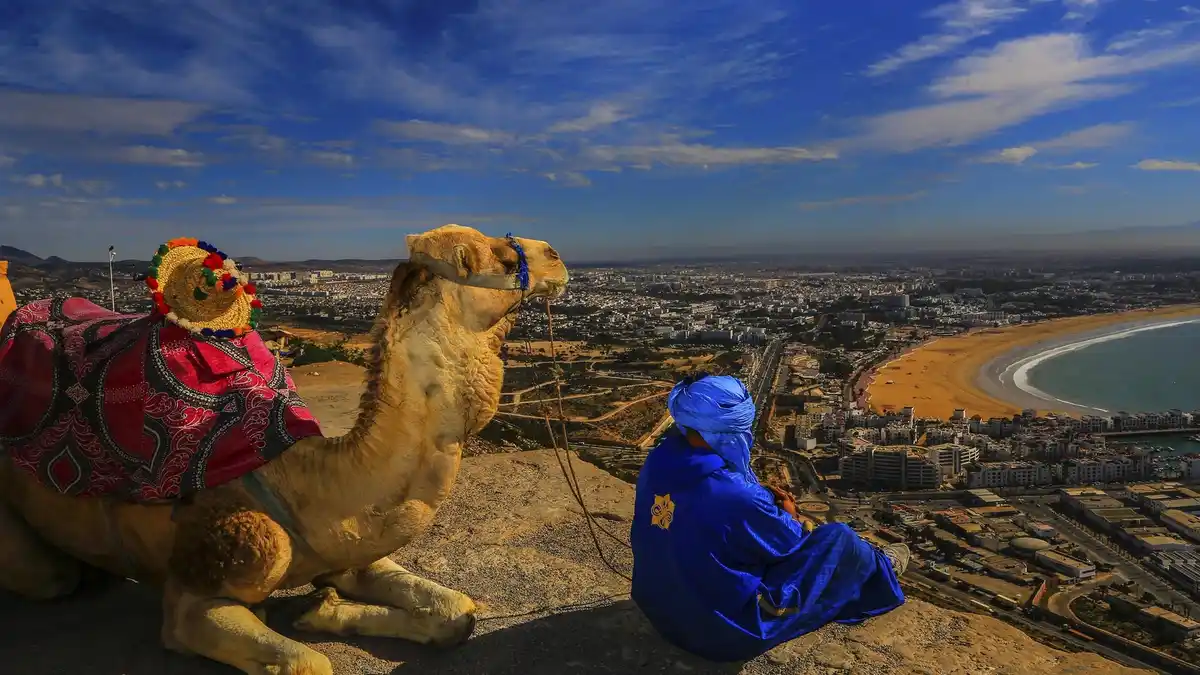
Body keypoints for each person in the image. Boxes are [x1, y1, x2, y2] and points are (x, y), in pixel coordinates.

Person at [631, 372, 908, 663]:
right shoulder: (738, 496)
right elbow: (795, 544)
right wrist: (790, 514)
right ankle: (881, 568)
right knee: (841, 540)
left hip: (659, 611)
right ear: (729, 431)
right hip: (715, 635)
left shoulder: (658, 460)